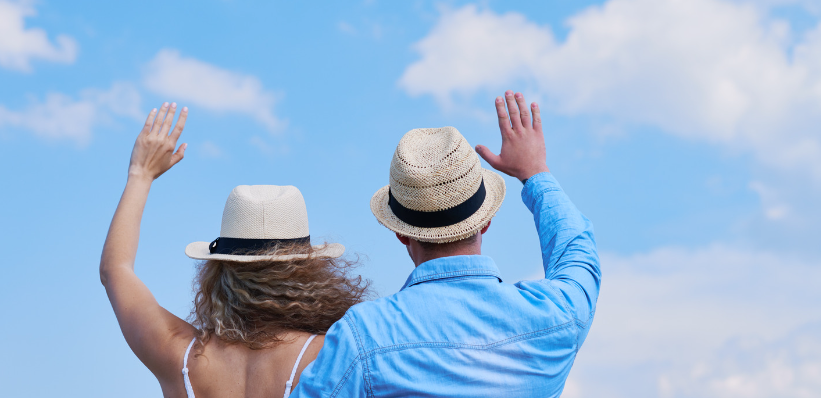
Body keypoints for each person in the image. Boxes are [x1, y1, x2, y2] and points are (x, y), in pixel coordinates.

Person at [292, 91, 601, 397]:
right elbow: (577, 254)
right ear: (486, 221)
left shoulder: (361, 337)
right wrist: (536, 173)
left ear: (400, 233)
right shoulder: (557, 315)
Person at [100, 102, 371, 398]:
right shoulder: (330, 357)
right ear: (308, 273)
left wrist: (140, 175)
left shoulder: (179, 355)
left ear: (220, 271)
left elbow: (115, 270)